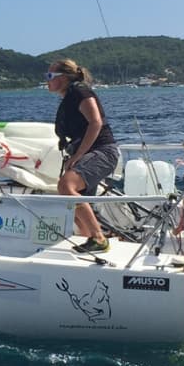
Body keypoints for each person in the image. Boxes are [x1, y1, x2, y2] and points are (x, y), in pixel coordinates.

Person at [46, 58, 119, 253]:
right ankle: (92, 240)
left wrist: (78, 155)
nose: (47, 80)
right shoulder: (69, 97)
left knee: (66, 186)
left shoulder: (80, 92)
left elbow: (95, 122)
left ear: (63, 78)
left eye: (50, 76)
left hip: (102, 151)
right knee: (71, 201)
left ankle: (98, 238)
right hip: (89, 151)